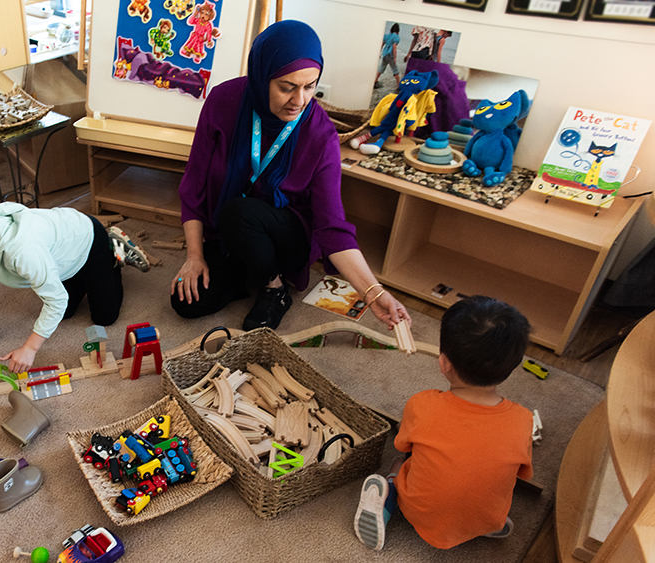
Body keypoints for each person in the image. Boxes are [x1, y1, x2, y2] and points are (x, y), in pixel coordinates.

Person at [171, 19, 410, 331]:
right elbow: (194, 183)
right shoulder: (222, 101)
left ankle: (275, 288)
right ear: (262, 75)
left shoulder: (321, 133)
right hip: (231, 229)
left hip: (285, 236)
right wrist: (194, 256)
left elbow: (332, 226)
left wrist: (373, 291)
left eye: (310, 87)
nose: (299, 101)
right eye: (287, 87)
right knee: (187, 302)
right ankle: (249, 271)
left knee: (239, 213)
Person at [353, 295, 534, 551]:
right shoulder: (523, 419)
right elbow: (523, 472)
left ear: (444, 363)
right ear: (512, 366)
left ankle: (387, 500)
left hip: (418, 510)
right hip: (487, 518)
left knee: (398, 461)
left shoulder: (423, 403)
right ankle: (483, 521)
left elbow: (403, 444)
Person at [0, 189, 151, 373]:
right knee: (65, 314)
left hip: (89, 242)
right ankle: (77, 274)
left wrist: (30, 348)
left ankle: (114, 251)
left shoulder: (23, 251)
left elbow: (55, 300)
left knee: (104, 317)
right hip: (60, 259)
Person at [374, 23, 400, 89]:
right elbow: (394, 46)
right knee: (395, 70)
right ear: (398, 31)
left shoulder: (387, 36)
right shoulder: (396, 37)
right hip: (390, 55)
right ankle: (399, 86)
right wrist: (395, 57)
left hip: (385, 54)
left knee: (382, 67)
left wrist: (378, 53)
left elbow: (382, 44)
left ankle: (375, 80)